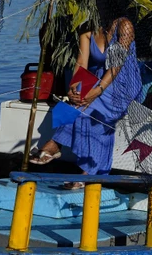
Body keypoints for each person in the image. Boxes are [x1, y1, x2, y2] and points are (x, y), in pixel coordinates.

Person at [29, 14, 145, 183]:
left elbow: (117, 65)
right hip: (99, 79)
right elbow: (82, 63)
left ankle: (56, 144)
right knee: (70, 103)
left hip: (123, 82)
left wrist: (97, 90)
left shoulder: (124, 26)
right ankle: (86, 170)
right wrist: (73, 87)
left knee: (91, 106)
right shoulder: (86, 29)